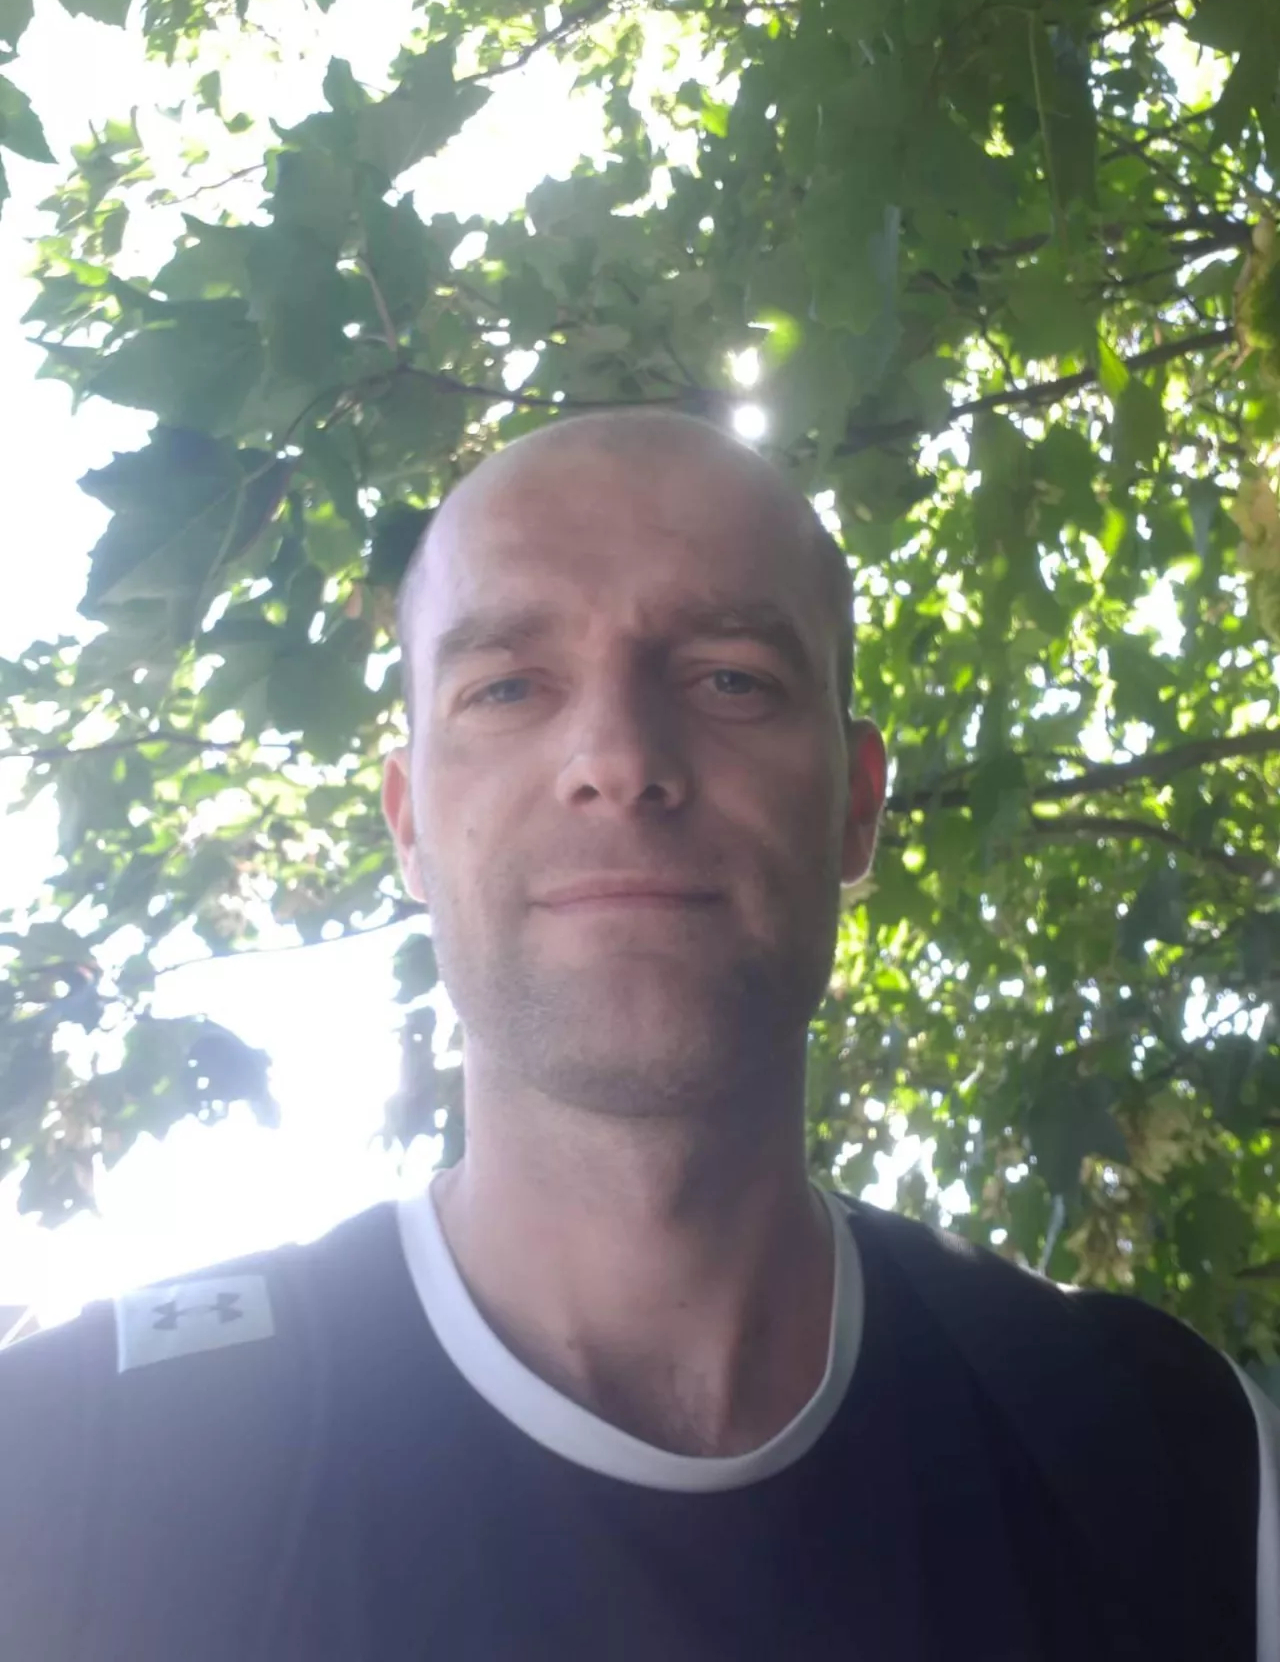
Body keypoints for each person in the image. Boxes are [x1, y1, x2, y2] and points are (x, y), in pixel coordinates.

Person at [0, 410, 1276, 1662]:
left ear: (856, 805)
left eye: (730, 679)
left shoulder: (1174, 1455)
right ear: (408, 823)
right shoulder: (65, 1473)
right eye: (507, 686)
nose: (616, 758)